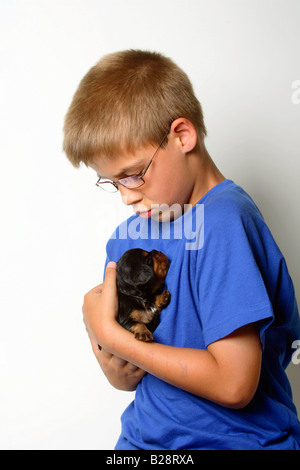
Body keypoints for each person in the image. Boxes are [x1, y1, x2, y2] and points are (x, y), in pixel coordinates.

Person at [63, 49, 300, 450]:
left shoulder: (224, 221)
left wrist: (111, 336)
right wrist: (107, 349)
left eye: (134, 175)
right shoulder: (127, 239)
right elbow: (125, 377)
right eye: (112, 182)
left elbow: (235, 385)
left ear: (182, 136)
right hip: (142, 443)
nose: (125, 197)